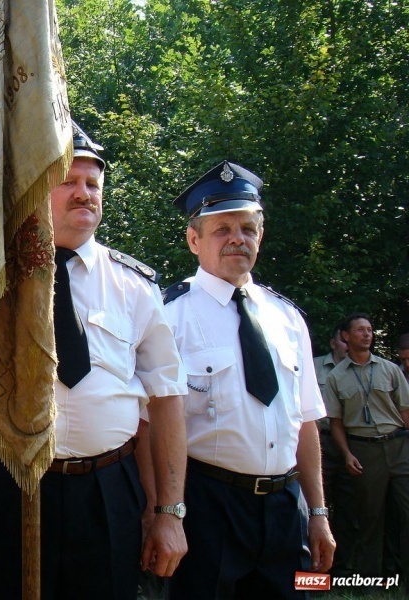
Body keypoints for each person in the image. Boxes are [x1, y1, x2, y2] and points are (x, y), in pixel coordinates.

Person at [0, 124, 189, 599]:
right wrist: (5, 318)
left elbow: (167, 399)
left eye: (93, 183)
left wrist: (169, 512)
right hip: (11, 486)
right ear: (35, 190)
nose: (84, 193)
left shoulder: (134, 285)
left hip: (107, 491)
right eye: (68, 181)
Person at [162, 160, 335, 599]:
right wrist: (165, 513)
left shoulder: (287, 317)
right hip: (207, 504)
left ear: (261, 236)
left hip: (285, 504)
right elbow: (152, 428)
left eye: (247, 228)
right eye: (221, 229)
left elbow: (306, 421)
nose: (237, 238)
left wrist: (317, 512)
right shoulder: (169, 316)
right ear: (194, 239)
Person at [325, 313, 409, 579]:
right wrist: (347, 454)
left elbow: (405, 410)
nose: (367, 334)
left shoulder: (390, 369)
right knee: (370, 516)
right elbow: (336, 422)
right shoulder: (336, 377)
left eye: (370, 330)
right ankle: (370, 578)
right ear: (346, 336)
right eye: (360, 330)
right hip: (364, 450)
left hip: (399, 445)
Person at [314, 324, 358, 575]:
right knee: (317, 505)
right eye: (343, 341)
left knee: (348, 505)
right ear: (333, 343)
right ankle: (315, 571)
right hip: (319, 440)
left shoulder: (360, 369)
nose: (347, 346)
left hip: (351, 443)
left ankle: (342, 569)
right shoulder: (315, 366)